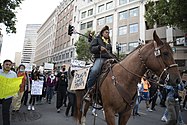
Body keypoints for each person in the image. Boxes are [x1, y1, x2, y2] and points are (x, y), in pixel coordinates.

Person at [84, 25, 113, 101]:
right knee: (95, 70)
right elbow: (91, 49)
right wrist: (99, 48)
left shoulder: (109, 42)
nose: (108, 34)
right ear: (102, 33)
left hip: (109, 59)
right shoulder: (97, 39)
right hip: (100, 58)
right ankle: (89, 91)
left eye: (108, 32)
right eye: (106, 32)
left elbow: (111, 52)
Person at [0, 59, 17, 125]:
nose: (8, 66)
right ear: (3, 65)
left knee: (6, 112)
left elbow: (15, 84)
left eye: (10, 65)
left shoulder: (13, 74)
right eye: (6, 64)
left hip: (8, 96)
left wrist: (15, 94)